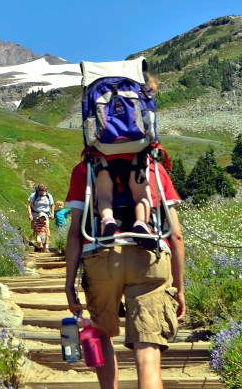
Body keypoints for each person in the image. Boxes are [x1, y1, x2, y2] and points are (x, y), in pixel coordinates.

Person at [63, 152, 186, 389]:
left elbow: (75, 233)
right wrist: (179, 289)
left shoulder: (85, 169)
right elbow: (176, 235)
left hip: (102, 255)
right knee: (148, 346)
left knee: (101, 333)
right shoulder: (154, 168)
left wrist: (69, 285)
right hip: (150, 257)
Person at [93, 74, 162, 246]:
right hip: (135, 154)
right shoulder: (141, 91)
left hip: (105, 155)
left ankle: (108, 219)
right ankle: (141, 222)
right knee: (141, 196)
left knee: (104, 196)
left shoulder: (99, 90)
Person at [27, 184, 55, 251]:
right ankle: (38, 245)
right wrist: (30, 214)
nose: (41, 192)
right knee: (36, 229)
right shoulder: (34, 195)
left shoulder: (48, 196)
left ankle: (46, 245)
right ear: (38, 190)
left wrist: (52, 213)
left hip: (45, 215)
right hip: (36, 214)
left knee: (46, 229)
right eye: (40, 190)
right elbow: (29, 205)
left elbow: (52, 205)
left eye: (43, 190)